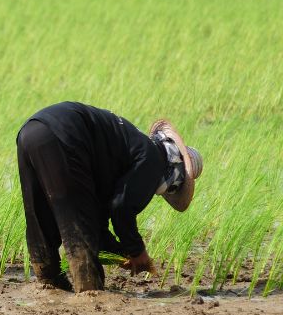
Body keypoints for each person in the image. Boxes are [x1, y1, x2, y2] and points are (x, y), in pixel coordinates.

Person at [16, 102, 203, 292]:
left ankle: (48, 282)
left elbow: (98, 222)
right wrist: (137, 251)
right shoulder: (153, 159)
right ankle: (89, 292)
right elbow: (121, 207)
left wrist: (120, 254)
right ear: (175, 171)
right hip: (64, 136)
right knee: (78, 230)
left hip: (30, 132)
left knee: (40, 215)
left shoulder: (129, 150)